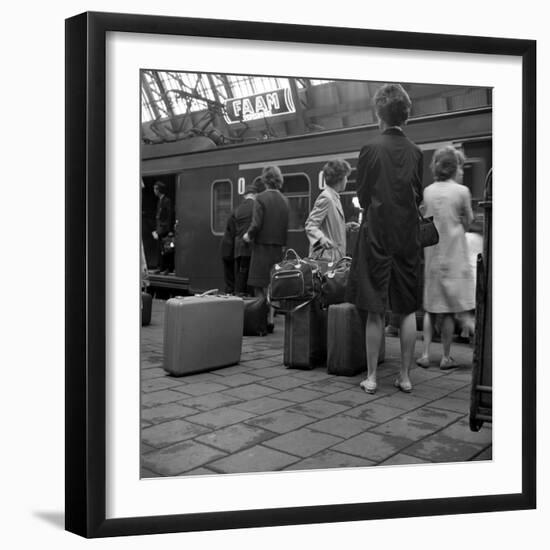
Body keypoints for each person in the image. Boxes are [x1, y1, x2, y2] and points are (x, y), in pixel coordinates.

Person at [346, 83, 423, 394]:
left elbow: (362, 195)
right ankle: (404, 376)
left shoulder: (370, 149)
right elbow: (416, 195)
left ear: (378, 113)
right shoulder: (417, 152)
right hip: (407, 235)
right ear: (406, 115)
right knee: (405, 308)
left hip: (376, 232)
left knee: (375, 307)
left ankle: (372, 377)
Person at [416, 146, 474, 369]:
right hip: (453, 253)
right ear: (454, 167)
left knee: (431, 307)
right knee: (449, 309)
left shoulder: (428, 191)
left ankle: (425, 353)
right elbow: (468, 221)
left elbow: (424, 217)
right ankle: (445, 357)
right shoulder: (462, 191)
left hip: (432, 253)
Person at [243, 165, 289, 332]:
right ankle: (270, 319)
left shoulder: (260, 199)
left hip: (261, 247)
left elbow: (256, 224)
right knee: (272, 285)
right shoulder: (285, 201)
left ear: (265, 180)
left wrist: (248, 235)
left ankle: (260, 319)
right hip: (278, 249)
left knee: (258, 284)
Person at [305, 159, 352, 261]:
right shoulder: (327, 198)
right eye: (346, 177)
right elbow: (310, 225)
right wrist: (321, 238)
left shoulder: (334, 197)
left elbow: (329, 226)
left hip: (333, 258)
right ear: (340, 178)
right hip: (325, 259)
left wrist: (346, 227)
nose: (347, 180)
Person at [233, 180, 265, 295]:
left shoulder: (238, 209)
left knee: (240, 273)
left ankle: (239, 297)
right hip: (249, 246)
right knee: (249, 275)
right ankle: (248, 299)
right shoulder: (255, 207)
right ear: (254, 194)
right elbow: (256, 225)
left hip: (238, 247)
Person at [152, 181, 173, 274]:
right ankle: (161, 267)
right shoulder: (159, 201)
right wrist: (156, 230)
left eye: (155, 189)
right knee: (160, 249)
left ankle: (168, 268)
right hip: (160, 229)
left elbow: (169, 216)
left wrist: (169, 230)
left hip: (165, 230)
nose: (154, 191)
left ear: (159, 190)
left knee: (167, 249)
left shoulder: (166, 201)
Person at [220, 211, 236, 294]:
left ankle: (229, 293)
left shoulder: (231, 219)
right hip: (229, 251)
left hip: (227, 251)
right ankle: (229, 295)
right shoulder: (233, 220)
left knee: (229, 278)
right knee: (230, 279)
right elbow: (234, 234)